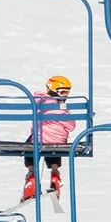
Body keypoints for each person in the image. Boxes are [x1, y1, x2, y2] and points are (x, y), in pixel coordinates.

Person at [21, 74, 75, 202]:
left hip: (39, 140)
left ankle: (32, 178)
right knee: (56, 146)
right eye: (62, 92)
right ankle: (55, 174)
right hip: (57, 142)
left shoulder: (39, 104)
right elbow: (71, 126)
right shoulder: (61, 109)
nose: (65, 96)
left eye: (67, 93)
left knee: (32, 145)